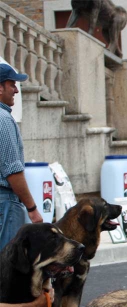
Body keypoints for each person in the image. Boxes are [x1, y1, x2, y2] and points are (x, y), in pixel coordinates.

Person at [0, 63, 43, 252]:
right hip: (5, 203)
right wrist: (32, 209)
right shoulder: (3, 119)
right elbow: (13, 172)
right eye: (12, 84)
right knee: (7, 265)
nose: (16, 90)